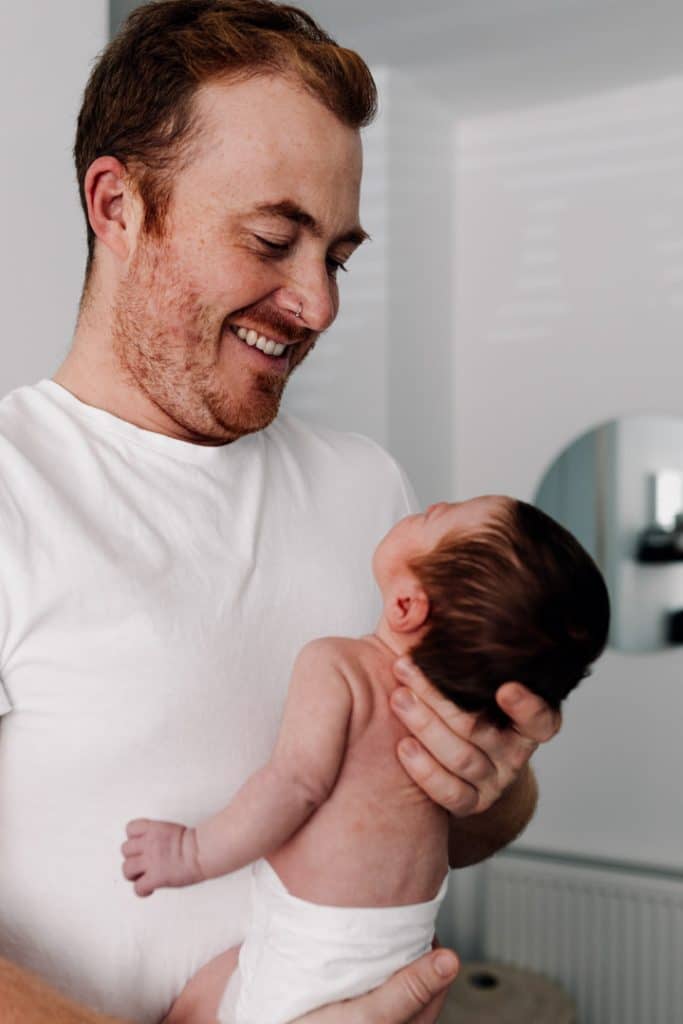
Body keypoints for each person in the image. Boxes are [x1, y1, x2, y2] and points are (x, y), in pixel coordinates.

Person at [0, 3, 561, 1023]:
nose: (318, 304)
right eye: (272, 238)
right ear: (118, 206)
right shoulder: (12, 491)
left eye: (336, 255)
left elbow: (441, 813)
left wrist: (493, 782)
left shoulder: (374, 495)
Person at [121, 495, 608, 1024]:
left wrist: (192, 852)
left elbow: (295, 783)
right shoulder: (451, 722)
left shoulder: (341, 667)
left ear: (406, 605)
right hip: (401, 953)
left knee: (194, 1010)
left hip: (312, 954)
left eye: (433, 518)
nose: (436, 502)